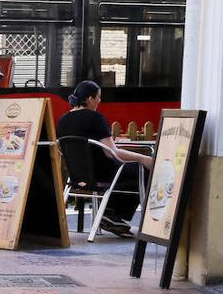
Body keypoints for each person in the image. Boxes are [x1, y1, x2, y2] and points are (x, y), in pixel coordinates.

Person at [56, 80, 152, 234]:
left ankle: (110, 214)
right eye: (98, 97)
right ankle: (110, 213)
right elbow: (112, 152)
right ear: (89, 99)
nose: (100, 100)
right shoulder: (95, 118)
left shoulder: (63, 120)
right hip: (102, 174)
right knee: (141, 171)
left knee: (129, 172)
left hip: (76, 177)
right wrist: (143, 158)